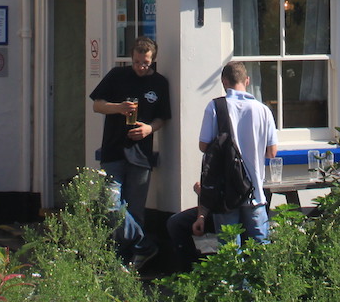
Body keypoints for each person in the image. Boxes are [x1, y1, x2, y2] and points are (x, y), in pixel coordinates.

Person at [167, 61, 278, 268]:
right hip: (254, 192)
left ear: (224, 82)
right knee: (260, 248)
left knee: (230, 251)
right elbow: (272, 152)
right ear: (247, 81)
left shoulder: (215, 107)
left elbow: (204, 145)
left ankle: (233, 292)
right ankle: (262, 292)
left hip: (225, 192)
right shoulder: (263, 110)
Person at [89, 35, 170, 270]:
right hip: (114, 150)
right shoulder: (117, 75)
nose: (140, 68)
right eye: (136, 62)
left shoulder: (159, 83)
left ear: (152, 60)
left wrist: (148, 129)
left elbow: (162, 117)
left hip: (141, 154)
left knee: (135, 210)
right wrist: (118, 108)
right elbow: (97, 104)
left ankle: (129, 260)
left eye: (145, 63)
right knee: (111, 205)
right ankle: (144, 244)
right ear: (131, 58)